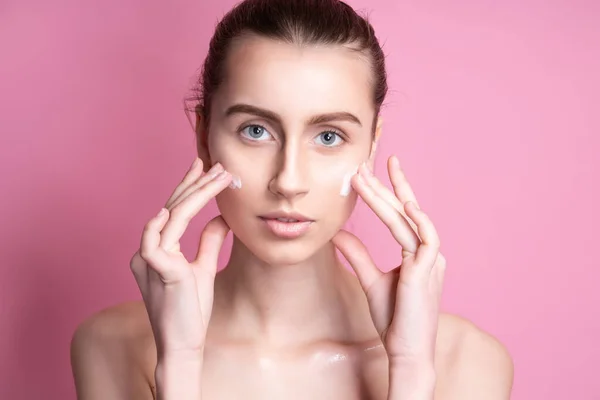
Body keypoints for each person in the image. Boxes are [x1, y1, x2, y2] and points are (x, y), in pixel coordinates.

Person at [70, 0, 514, 398]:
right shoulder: (112, 346)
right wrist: (181, 364)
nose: (289, 181)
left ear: (371, 147)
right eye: (256, 130)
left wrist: (413, 372)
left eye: (328, 136)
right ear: (204, 136)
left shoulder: (466, 362)